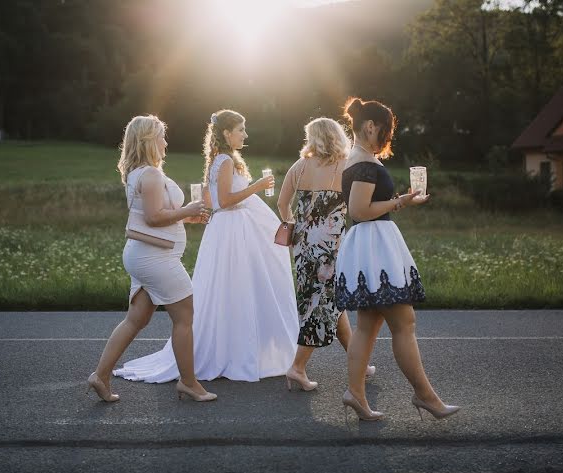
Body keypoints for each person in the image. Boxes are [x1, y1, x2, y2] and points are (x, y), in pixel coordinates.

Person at [114, 109, 299, 382]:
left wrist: (191, 213)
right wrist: (257, 186)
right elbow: (224, 201)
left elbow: (211, 202)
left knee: (229, 290)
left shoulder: (218, 160)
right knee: (232, 290)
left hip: (225, 229)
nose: (245, 135)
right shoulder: (223, 160)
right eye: (241, 129)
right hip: (232, 231)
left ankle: (231, 350)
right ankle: (216, 364)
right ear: (226, 133)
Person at [335, 97, 460, 421]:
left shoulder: (359, 159)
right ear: (371, 126)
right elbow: (359, 211)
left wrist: (400, 200)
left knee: (368, 325)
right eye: (386, 132)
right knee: (404, 323)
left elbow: (362, 208)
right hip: (374, 245)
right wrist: (397, 203)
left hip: (368, 245)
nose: (387, 139)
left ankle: (356, 394)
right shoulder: (363, 163)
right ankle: (425, 396)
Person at [88, 115, 216, 402]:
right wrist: (189, 209)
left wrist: (188, 217)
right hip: (156, 259)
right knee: (184, 317)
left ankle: (100, 375)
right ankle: (189, 382)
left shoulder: (138, 173)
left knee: (136, 319)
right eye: (161, 136)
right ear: (148, 140)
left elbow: (151, 216)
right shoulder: (151, 175)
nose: (166, 142)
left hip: (144, 255)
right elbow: (154, 217)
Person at [276, 117, 376, 391]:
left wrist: (295, 225)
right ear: (337, 136)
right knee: (319, 306)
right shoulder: (347, 167)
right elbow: (361, 204)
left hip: (303, 245)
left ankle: (361, 364)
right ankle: (297, 368)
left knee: (331, 303)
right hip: (331, 247)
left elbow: (282, 203)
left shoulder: (300, 166)